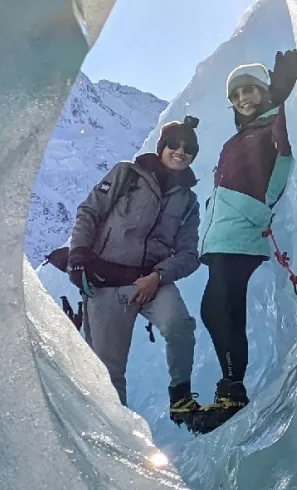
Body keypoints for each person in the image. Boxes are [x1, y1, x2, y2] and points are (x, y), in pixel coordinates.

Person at [66, 117, 206, 429]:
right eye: (174, 144)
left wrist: (157, 276)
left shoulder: (189, 202)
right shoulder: (127, 174)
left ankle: (181, 399)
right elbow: (89, 210)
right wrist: (78, 255)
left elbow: (188, 254)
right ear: (162, 147)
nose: (180, 152)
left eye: (189, 148)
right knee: (108, 371)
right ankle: (117, 437)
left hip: (151, 281)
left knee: (179, 325)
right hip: (105, 281)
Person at [193, 49, 297, 433]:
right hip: (223, 234)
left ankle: (232, 393)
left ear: (265, 91)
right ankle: (230, 390)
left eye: (251, 90)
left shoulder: (274, 124)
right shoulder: (241, 136)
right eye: (236, 96)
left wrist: (287, 94)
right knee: (217, 309)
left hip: (242, 229)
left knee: (220, 308)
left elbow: (288, 143)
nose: (243, 99)